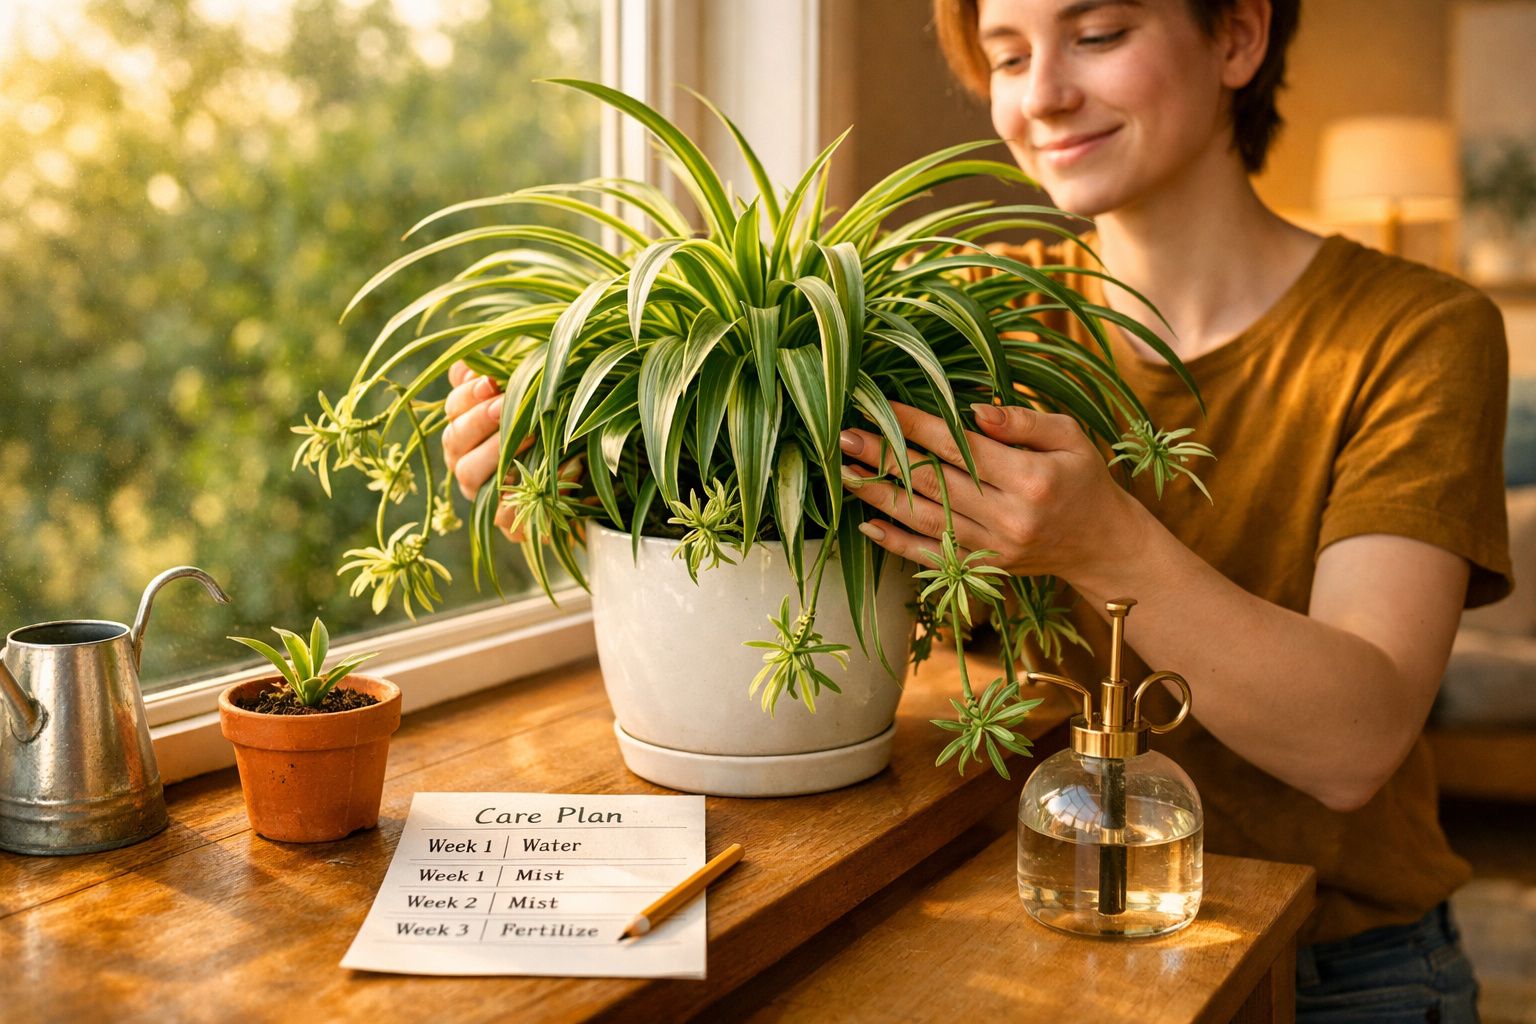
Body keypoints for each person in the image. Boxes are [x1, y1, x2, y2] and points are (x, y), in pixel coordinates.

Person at [440, 1, 1509, 1018]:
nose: (1042, 95)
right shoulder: (964, 314)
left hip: (1331, 972)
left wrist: (1104, 543)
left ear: (1237, 35)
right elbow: (781, 540)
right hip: (1015, 930)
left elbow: (1354, 741)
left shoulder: (1417, 331)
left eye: (1098, 33)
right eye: (1006, 56)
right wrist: (585, 460)